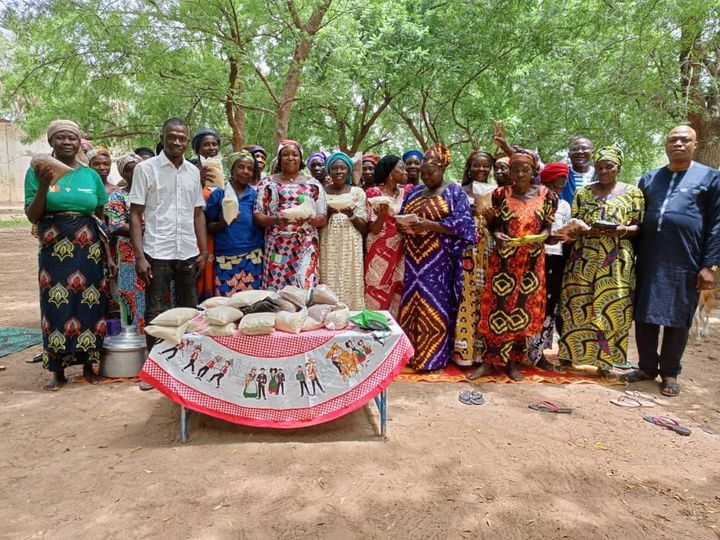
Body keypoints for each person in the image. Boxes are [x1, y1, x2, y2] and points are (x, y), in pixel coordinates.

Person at [623, 126, 720, 397]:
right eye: (673, 140)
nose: (678, 143)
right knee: (644, 316)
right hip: (650, 257)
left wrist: (708, 265)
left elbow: (716, 224)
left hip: (686, 260)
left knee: (678, 318)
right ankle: (646, 367)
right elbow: (638, 218)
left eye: (684, 140)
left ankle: (669, 372)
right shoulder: (651, 177)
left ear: (695, 144)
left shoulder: (711, 178)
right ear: (666, 145)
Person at [24, 119, 117, 390]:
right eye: (61, 138)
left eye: (72, 138)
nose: (67, 142)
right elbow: (32, 214)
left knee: (91, 303)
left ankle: (89, 365)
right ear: (51, 141)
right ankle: (57, 370)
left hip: (88, 247)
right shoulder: (38, 171)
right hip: (54, 246)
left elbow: (100, 216)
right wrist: (44, 184)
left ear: (79, 143)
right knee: (56, 306)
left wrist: (108, 255)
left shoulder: (90, 175)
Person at [471, 150, 557, 381]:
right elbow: (495, 226)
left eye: (525, 170)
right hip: (503, 261)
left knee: (522, 310)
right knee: (495, 309)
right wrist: (497, 233)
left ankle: (512, 363)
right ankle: (489, 362)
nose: (519, 174)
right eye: (515, 169)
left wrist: (540, 237)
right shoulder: (500, 194)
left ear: (533, 172)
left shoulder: (547, 195)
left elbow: (548, 227)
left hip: (530, 263)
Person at [556, 148, 643, 377]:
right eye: (600, 167)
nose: (604, 171)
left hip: (615, 259)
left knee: (611, 307)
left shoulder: (633, 193)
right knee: (576, 304)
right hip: (584, 256)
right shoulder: (583, 193)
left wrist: (623, 229)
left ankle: (605, 363)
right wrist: (576, 229)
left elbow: (638, 226)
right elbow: (574, 221)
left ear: (618, 168)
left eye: (609, 167)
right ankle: (568, 355)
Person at [129, 117, 208, 361]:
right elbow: (135, 214)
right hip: (156, 250)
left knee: (190, 309)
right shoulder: (146, 169)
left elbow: (197, 214)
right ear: (162, 138)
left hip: (187, 251)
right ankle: (154, 366)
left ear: (187, 142)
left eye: (182, 138)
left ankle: (187, 364)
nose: (176, 142)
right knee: (155, 310)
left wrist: (203, 251)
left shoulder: (193, 172)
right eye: (171, 136)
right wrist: (140, 256)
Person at [398, 143, 476, 371]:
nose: (426, 177)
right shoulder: (414, 191)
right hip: (414, 258)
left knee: (435, 305)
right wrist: (405, 225)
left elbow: (465, 226)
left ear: (442, 169)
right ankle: (410, 355)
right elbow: (402, 215)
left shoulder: (454, 192)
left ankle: (433, 358)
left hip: (439, 259)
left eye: (431, 173)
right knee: (411, 302)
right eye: (423, 173)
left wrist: (430, 225)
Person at [253, 140, 327, 290]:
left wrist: (310, 219)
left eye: (295, 154)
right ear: (279, 160)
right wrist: (277, 219)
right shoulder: (267, 183)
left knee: (304, 286)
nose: (290, 158)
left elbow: (322, 217)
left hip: (305, 245)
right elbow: (258, 215)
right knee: (276, 288)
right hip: (277, 245)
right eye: (285, 155)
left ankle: (303, 313)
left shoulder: (313, 184)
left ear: (301, 159)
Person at [452, 150, 496, 366]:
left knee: (485, 296)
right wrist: (466, 213)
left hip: (488, 247)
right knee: (465, 296)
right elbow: (452, 220)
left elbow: (501, 225)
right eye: (476, 166)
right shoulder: (460, 191)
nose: (481, 169)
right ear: (469, 168)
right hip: (467, 248)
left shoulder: (496, 192)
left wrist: (491, 217)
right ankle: (463, 353)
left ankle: (481, 353)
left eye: (485, 166)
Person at [527, 162, 572, 369]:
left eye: (562, 186)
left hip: (557, 257)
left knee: (549, 305)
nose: (558, 190)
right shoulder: (532, 201)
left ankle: (539, 352)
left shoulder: (564, 205)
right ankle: (523, 350)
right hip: (534, 256)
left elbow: (567, 233)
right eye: (555, 185)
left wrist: (570, 233)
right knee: (529, 303)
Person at [205, 151, 264, 295]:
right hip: (226, 256)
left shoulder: (256, 195)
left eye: (250, 169)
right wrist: (224, 222)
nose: (245, 171)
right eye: (241, 167)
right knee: (226, 304)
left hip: (253, 255)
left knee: (252, 302)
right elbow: (208, 227)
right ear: (232, 169)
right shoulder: (218, 194)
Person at [319, 151, 367, 309]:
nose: (339, 171)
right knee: (328, 277)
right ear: (329, 171)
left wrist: (351, 214)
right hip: (328, 241)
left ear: (349, 171)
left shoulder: (357, 192)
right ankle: (329, 314)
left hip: (350, 242)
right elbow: (316, 222)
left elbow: (363, 227)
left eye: (343, 168)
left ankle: (350, 315)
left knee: (349, 276)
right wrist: (328, 213)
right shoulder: (321, 192)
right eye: (334, 168)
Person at [364, 155, 411, 317]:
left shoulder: (405, 193)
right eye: (401, 168)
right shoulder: (374, 192)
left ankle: (392, 330)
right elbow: (373, 229)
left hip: (400, 248)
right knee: (376, 285)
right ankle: (373, 325)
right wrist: (382, 216)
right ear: (391, 172)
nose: (405, 172)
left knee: (397, 287)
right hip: (379, 248)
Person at [105, 153, 146, 331]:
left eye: (138, 168)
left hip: (154, 251)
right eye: (129, 170)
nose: (135, 173)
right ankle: (132, 335)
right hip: (129, 254)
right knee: (130, 293)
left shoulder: (153, 193)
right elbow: (117, 226)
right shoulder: (118, 197)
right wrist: (146, 229)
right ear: (123, 174)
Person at [192, 128, 222, 302]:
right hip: (195, 235)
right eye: (206, 144)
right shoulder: (190, 171)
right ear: (197, 149)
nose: (211, 147)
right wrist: (199, 180)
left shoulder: (220, 172)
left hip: (217, 234)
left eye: (215, 144)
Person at [560, 136, 595, 204]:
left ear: (593, 153)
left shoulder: (600, 174)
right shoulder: (561, 175)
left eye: (584, 148)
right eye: (575, 149)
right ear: (569, 154)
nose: (580, 152)